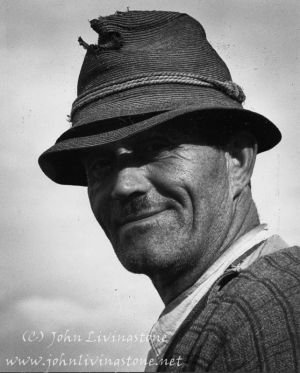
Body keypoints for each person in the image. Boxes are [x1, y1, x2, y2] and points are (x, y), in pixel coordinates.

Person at [38, 10, 300, 372]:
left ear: (238, 161)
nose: (124, 185)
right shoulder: (240, 314)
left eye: (157, 148)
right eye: (100, 165)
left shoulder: (263, 313)